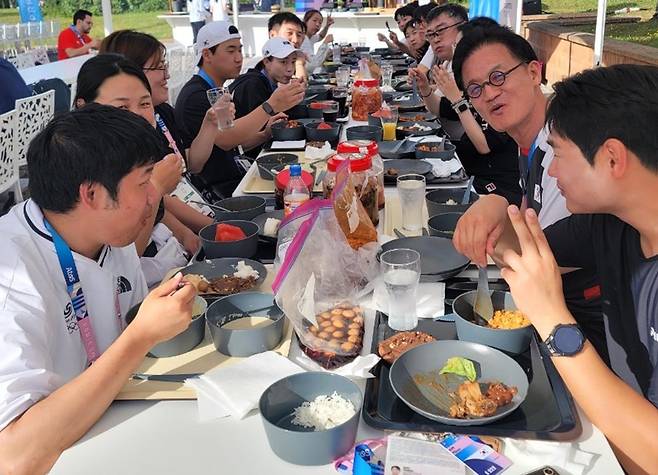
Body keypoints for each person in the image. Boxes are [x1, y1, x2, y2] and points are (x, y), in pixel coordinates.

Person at [0, 104, 196, 475]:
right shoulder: (12, 277)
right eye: (144, 181)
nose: (156, 195)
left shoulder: (112, 233)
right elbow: (13, 458)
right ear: (92, 195)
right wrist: (140, 336)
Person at [497, 64, 658, 474]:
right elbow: (522, 249)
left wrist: (552, 320)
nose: (551, 171)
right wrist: (494, 209)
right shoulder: (611, 219)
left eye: (559, 154)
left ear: (611, 158)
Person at [450, 26, 607, 361]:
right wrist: (497, 210)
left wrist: (492, 210)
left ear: (535, 71)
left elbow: (538, 263)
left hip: (588, 337)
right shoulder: (530, 143)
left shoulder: (564, 151)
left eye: (498, 76)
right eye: (476, 89)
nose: (489, 94)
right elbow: (525, 220)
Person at [74, 54, 205, 286]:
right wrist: (154, 188)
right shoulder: (84, 173)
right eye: (122, 106)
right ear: (83, 108)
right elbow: (123, 264)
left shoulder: (134, 156)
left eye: (145, 103)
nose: (137, 115)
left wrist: (188, 234)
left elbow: (162, 208)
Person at [99, 29, 221, 222]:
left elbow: (192, 165)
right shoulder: (117, 135)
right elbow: (156, 200)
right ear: (129, 71)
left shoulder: (162, 112)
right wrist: (212, 227)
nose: (168, 76)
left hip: (196, 211)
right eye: (160, 67)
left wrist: (210, 123)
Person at [175, 21, 305, 197]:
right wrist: (271, 105)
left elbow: (234, 145)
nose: (238, 58)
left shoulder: (216, 90)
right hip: (218, 192)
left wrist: (265, 134)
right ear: (207, 54)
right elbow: (227, 139)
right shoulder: (195, 96)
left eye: (239, 50)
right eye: (230, 50)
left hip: (235, 176)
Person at [410, 15, 521, 204]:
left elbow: (484, 145)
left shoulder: (500, 93)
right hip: (463, 174)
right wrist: (425, 89)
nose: (458, 53)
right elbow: (439, 109)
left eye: (462, 47)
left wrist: (457, 99)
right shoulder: (472, 86)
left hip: (494, 189)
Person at [229, 37, 303, 157]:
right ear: (266, 62)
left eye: (293, 62)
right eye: (283, 62)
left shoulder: (266, 82)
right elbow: (265, 127)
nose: (290, 69)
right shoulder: (253, 85)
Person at [268, 12, 307, 80]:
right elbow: (299, 87)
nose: (295, 40)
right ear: (273, 35)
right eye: (289, 33)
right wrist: (299, 64)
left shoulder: (294, 58)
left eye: (299, 35)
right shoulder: (256, 77)